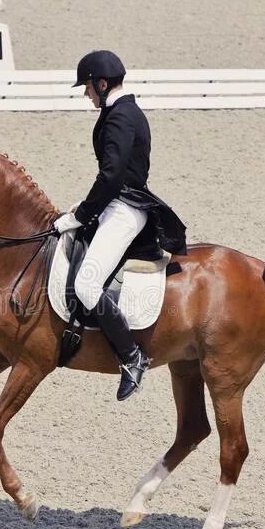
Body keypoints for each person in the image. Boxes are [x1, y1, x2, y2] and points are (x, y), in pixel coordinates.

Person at [53, 50, 185, 401]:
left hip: (125, 209)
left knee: (86, 284)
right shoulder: (120, 112)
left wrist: (81, 215)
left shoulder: (121, 117)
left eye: (88, 88)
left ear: (101, 82)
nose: (86, 94)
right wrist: (85, 208)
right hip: (116, 204)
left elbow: (111, 177)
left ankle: (132, 357)